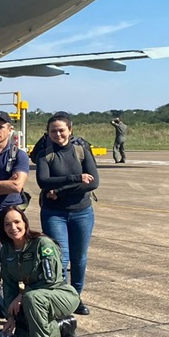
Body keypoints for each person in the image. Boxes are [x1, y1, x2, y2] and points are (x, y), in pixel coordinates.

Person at [0, 206, 79, 337]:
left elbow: (51, 280)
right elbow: (8, 286)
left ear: (25, 223)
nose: (13, 228)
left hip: (59, 294)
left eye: (16, 222)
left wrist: (22, 296)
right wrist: (11, 317)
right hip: (33, 299)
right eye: (7, 224)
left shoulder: (43, 244)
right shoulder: (6, 250)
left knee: (32, 298)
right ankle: (62, 326)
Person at [36, 113, 99, 316]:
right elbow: (44, 182)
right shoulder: (45, 154)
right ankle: (63, 299)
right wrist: (75, 178)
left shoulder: (82, 150)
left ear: (70, 130)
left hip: (82, 212)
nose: (58, 134)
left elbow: (93, 182)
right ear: (48, 133)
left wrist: (61, 189)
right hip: (54, 213)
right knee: (60, 259)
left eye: (62, 130)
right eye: (53, 131)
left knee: (79, 258)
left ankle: (76, 296)